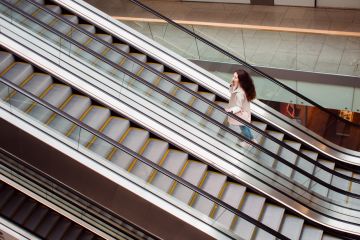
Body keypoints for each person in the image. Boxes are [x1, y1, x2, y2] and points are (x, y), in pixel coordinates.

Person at [225, 70, 257, 147]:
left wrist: (231, 110)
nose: (233, 78)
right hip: (244, 112)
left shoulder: (240, 93)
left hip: (241, 113)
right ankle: (252, 139)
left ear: (241, 80)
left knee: (243, 127)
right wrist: (232, 84)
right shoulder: (241, 87)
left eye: (235, 77)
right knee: (245, 126)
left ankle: (248, 142)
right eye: (233, 76)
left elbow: (238, 106)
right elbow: (231, 91)